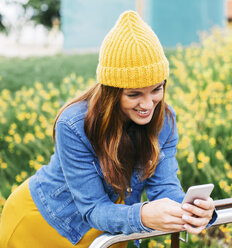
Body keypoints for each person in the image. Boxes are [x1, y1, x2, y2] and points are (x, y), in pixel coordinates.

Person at [0, 10, 216, 247]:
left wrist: (195, 211)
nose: (147, 104)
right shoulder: (73, 125)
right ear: (112, 93)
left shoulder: (164, 119)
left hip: (107, 230)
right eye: (134, 94)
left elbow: (164, 187)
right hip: (44, 222)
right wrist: (143, 215)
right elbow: (92, 207)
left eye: (156, 89)